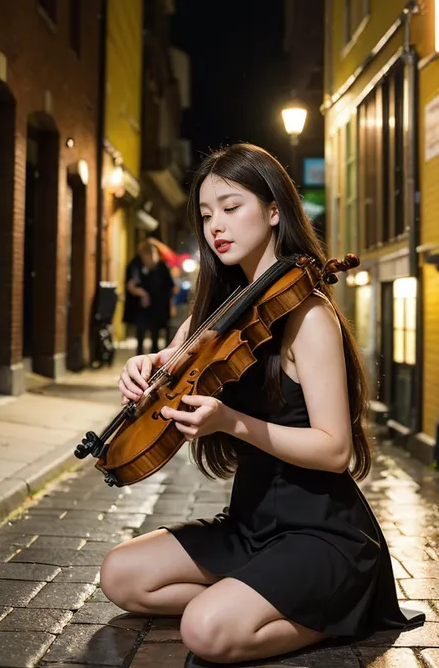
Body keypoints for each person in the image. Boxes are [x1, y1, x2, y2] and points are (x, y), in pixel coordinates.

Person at [100, 143, 423, 665]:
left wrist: (231, 421)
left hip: (321, 533)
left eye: (231, 207)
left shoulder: (308, 316)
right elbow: (172, 359)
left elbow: (335, 450)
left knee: (204, 633)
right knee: (120, 576)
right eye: (206, 215)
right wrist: (142, 369)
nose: (215, 226)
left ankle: (344, 607)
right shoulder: (221, 310)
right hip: (250, 525)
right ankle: (252, 597)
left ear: (274, 210)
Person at [123, 239, 174, 355]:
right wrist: (142, 294)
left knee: (156, 332)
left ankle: (154, 355)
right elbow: (131, 284)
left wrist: (170, 305)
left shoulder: (161, 266)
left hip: (158, 304)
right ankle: (139, 356)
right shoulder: (136, 265)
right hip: (141, 306)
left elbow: (168, 286)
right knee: (140, 332)